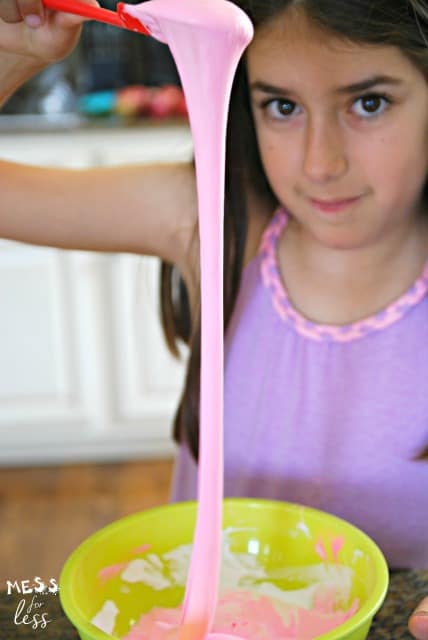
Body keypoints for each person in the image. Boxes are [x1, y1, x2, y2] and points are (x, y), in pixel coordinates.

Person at [1, 0, 428, 635]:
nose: (320, 162)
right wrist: (15, 56)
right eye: (281, 106)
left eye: (368, 103)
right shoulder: (214, 223)